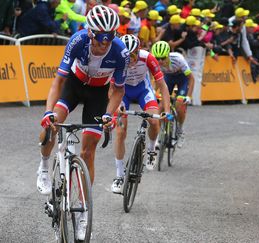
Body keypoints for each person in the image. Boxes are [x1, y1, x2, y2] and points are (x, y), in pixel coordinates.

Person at [36, 5, 128, 240]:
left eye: (107, 42)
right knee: (52, 123)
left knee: (88, 152)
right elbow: (58, 82)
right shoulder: (77, 41)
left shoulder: (120, 52)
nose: (103, 47)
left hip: (99, 95)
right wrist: (48, 112)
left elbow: (118, 90)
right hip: (73, 88)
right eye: (99, 42)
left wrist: (109, 114)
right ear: (90, 34)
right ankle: (45, 165)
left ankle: (84, 210)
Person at [111, 34, 172, 193]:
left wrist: (166, 110)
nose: (129, 59)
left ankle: (151, 150)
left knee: (154, 121)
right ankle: (119, 175)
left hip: (143, 91)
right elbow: (110, 89)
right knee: (120, 131)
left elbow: (162, 86)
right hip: (122, 93)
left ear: (138, 52)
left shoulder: (148, 58)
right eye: (126, 55)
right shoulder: (117, 58)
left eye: (132, 55)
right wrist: (115, 108)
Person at [151, 41, 195, 148]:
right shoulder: (154, 62)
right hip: (168, 78)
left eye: (163, 58)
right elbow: (157, 80)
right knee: (161, 106)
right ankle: (156, 138)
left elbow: (191, 78)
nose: (160, 61)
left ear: (168, 55)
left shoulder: (178, 59)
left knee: (179, 103)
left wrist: (188, 96)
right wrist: (153, 91)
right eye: (158, 58)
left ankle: (180, 129)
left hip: (182, 79)